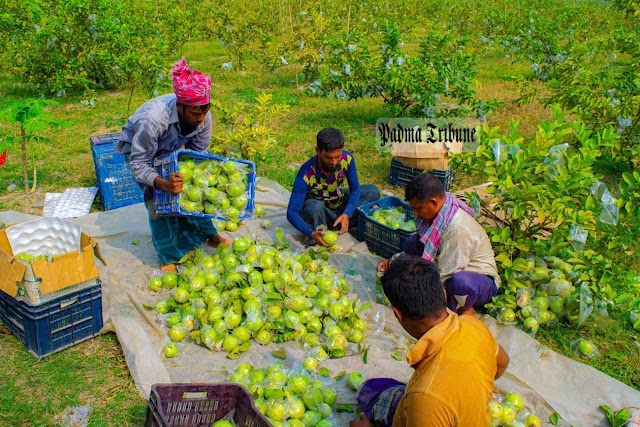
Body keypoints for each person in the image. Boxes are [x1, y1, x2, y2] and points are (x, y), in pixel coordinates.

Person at [351, 254, 510, 427]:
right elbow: (502, 361)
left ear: (398, 314)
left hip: (428, 407)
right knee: (379, 387)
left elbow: (428, 400)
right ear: (443, 292)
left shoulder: (426, 396)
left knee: (370, 392)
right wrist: (479, 388)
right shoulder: (473, 325)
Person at [116, 58, 230, 272]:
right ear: (180, 106)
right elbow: (139, 164)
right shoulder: (152, 120)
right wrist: (162, 183)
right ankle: (167, 255)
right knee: (156, 201)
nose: (201, 118)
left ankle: (209, 234)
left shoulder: (203, 117)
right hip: (142, 152)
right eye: (196, 114)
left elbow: (198, 153)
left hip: (172, 148)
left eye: (205, 112)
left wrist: (200, 175)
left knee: (194, 189)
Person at [377, 173, 500, 316]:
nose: (415, 214)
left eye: (418, 208)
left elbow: (446, 274)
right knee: (413, 242)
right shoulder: (439, 215)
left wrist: (417, 297)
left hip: (478, 280)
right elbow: (429, 250)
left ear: (433, 203)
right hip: (446, 262)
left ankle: (459, 309)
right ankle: (459, 304)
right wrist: (396, 262)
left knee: (458, 284)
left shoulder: (457, 229)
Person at [287, 127, 380, 246]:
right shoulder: (306, 173)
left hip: (339, 203)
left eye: (337, 156)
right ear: (317, 150)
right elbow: (292, 212)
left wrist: (347, 213)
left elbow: (355, 189)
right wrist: (310, 233)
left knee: (372, 192)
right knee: (312, 206)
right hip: (320, 212)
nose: (334, 162)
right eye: (328, 158)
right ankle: (319, 230)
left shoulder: (347, 159)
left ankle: (341, 221)